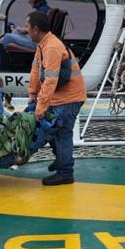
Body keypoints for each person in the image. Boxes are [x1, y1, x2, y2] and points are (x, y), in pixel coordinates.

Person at [27, 11, 86, 186]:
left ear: (36, 29)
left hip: (69, 99)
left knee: (62, 135)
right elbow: (36, 69)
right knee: (53, 132)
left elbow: (51, 79)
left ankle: (65, 172)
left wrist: (41, 106)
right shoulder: (42, 45)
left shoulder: (52, 47)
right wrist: (32, 93)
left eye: (28, 28)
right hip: (60, 97)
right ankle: (61, 160)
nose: (26, 31)